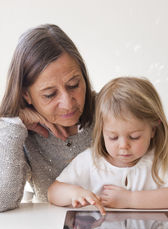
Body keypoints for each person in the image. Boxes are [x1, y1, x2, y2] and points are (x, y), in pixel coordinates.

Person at [0, 24, 105, 215]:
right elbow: (2, 200)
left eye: (74, 85)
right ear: (26, 95)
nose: (67, 103)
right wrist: (14, 122)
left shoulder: (110, 109)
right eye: (49, 94)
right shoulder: (19, 132)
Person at [48, 76, 168, 209]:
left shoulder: (156, 160)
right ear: (102, 131)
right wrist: (74, 193)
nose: (123, 146)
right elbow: (53, 193)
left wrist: (130, 199)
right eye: (113, 137)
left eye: (134, 137)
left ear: (153, 129)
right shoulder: (91, 161)